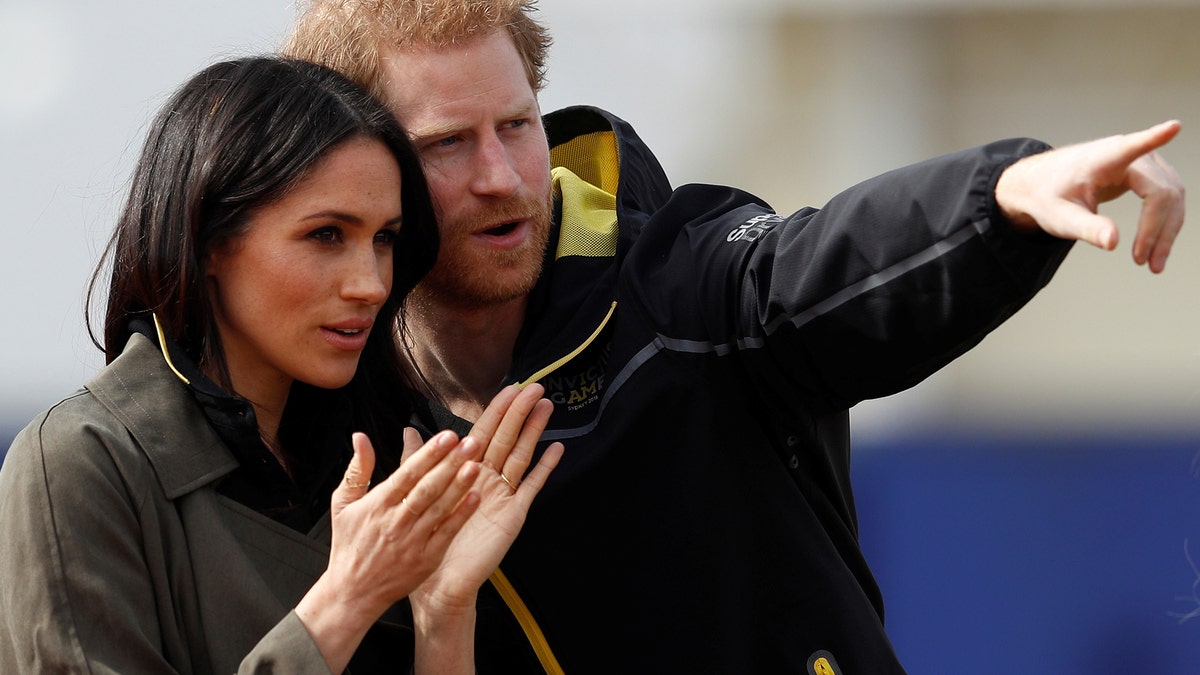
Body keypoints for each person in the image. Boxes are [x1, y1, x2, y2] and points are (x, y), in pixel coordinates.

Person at [284, 2, 1186, 673]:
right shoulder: (328, 416)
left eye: (516, 125)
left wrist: (999, 196)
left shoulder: (678, 283)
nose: (501, 175)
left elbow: (811, 264)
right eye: (448, 144)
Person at [0, 55, 563, 674]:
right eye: (326, 235)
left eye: (384, 239)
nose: (370, 284)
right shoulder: (83, 463)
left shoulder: (397, 453)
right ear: (211, 239)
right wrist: (346, 599)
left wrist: (444, 610)